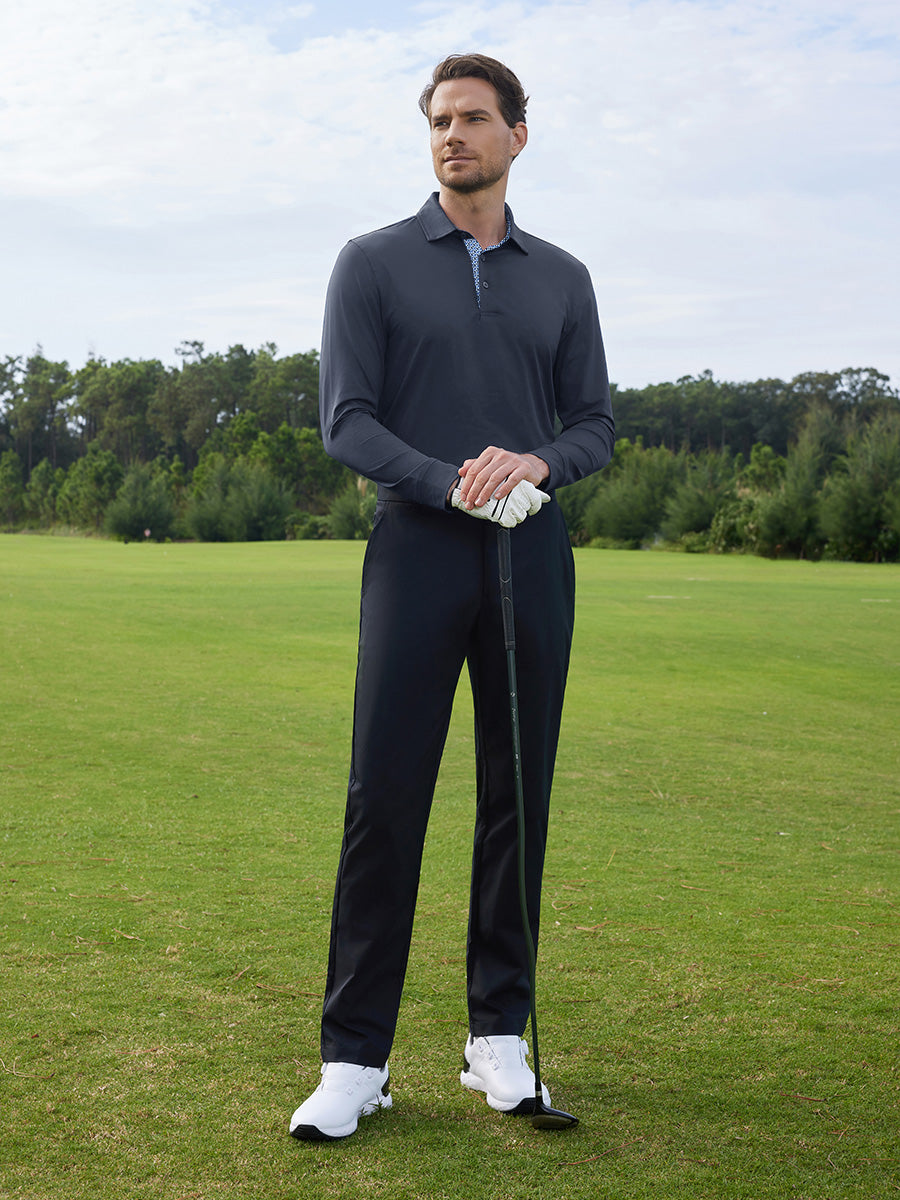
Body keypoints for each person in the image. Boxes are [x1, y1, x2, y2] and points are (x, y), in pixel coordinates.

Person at [289, 52, 614, 1142]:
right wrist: (450, 481)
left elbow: (593, 424)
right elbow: (347, 419)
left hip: (532, 555)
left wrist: (537, 463)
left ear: (518, 135)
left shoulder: (562, 276)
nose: (452, 136)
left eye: (474, 118)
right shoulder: (372, 262)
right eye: (439, 120)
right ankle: (355, 1060)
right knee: (384, 798)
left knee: (519, 795)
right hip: (418, 551)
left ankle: (498, 1039)